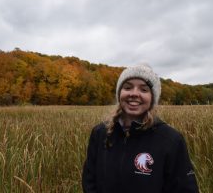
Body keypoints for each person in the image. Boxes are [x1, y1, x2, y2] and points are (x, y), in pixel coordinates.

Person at [82, 65, 199, 193]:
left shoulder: (171, 140)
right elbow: (89, 180)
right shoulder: (100, 133)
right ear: (119, 93)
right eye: (127, 87)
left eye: (143, 90)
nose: (134, 94)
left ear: (152, 98)